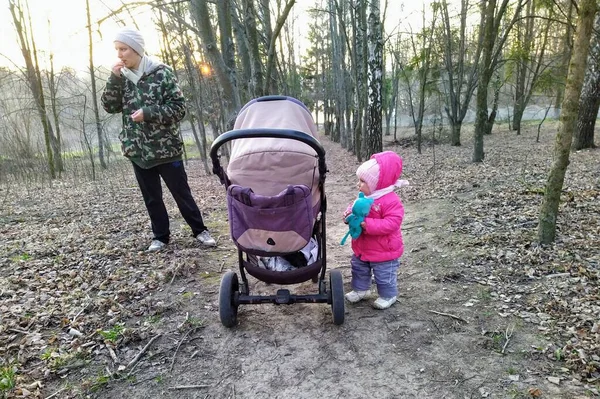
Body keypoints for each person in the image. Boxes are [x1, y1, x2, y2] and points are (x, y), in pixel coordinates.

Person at [101, 27, 216, 251]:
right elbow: (109, 106)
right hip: (138, 151)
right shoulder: (121, 78)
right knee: (152, 198)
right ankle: (160, 237)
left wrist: (149, 113)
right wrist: (113, 80)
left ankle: (200, 231)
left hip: (166, 149)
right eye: (117, 50)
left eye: (123, 49)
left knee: (182, 194)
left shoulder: (161, 73)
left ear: (136, 49)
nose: (119, 55)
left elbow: (179, 109)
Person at [343, 151, 407, 309]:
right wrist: (348, 214)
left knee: (384, 275)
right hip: (362, 247)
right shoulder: (363, 197)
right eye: (359, 180)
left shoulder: (390, 200)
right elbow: (354, 208)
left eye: (363, 181)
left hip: (384, 249)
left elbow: (393, 223)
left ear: (377, 183)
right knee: (359, 268)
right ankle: (361, 290)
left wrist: (367, 224)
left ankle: (388, 295)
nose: (359, 184)